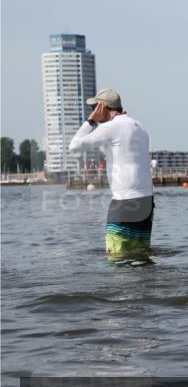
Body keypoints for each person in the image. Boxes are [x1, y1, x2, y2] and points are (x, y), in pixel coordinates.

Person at [68, 89, 155, 260]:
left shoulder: (112, 126)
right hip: (147, 200)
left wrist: (91, 121)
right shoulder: (139, 126)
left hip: (125, 201)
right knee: (141, 257)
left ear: (102, 107)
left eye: (94, 107)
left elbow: (74, 146)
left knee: (117, 258)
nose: (92, 111)